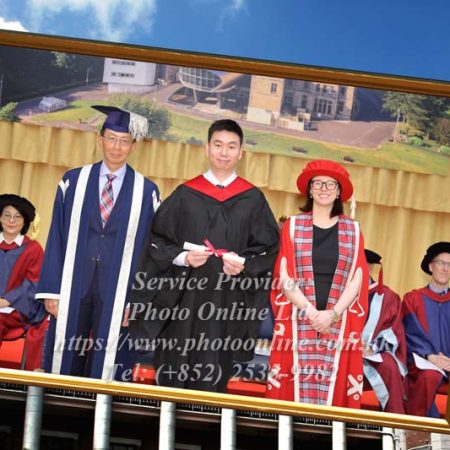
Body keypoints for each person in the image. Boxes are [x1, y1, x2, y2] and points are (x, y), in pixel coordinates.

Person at [129, 119, 279, 392]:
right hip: (182, 302)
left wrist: (243, 265)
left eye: (231, 146)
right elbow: (156, 239)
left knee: (213, 379)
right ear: (207, 148)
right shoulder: (185, 195)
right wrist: (182, 257)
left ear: (241, 152)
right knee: (172, 376)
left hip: (225, 305)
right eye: (218, 145)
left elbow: (269, 249)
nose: (224, 152)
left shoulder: (252, 200)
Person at [36, 106, 160, 381]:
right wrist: (51, 290)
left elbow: (149, 252)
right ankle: (59, 402)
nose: (117, 147)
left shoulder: (147, 191)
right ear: (100, 139)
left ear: (134, 146)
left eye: (125, 141)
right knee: (65, 355)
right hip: (72, 283)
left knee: (111, 359)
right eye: (112, 138)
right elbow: (56, 236)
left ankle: (103, 408)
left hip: (119, 288)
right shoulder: (73, 181)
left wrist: (137, 299)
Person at [266, 159, 368, 407]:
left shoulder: (353, 230)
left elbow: (357, 278)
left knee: (333, 397)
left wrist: (332, 315)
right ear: (309, 189)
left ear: (339, 191)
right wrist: (312, 313)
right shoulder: (292, 226)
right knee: (292, 397)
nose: (324, 188)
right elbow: (285, 276)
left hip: (338, 322)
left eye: (331, 184)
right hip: (299, 317)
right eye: (318, 183)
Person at [402, 241, 450, 417]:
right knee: (430, 375)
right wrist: (430, 356)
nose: (446, 269)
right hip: (421, 363)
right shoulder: (413, 299)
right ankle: (418, 429)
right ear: (431, 267)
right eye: (441, 263)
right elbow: (409, 334)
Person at [0, 194, 46, 370]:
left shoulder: (33, 249)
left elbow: (34, 283)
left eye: (18, 216)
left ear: (25, 221)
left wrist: (7, 300)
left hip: (18, 309)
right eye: (7, 215)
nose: (11, 220)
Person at [362, 249, 407, 414]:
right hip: (341, 350)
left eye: (362, 265)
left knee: (389, 365)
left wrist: (372, 347)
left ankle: (393, 420)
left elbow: (393, 331)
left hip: (372, 353)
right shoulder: (337, 292)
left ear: (370, 267)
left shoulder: (388, 297)